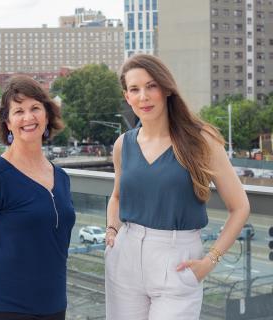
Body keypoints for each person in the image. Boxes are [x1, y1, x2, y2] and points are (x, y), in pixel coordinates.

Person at [105, 54, 250, 320]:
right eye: (134, 90)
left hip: (178, 259)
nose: (143, 97)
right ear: (127, 97)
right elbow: (116, 196)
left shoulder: (201, 140)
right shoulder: (122, 145)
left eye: (151, 86)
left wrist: (210, 261)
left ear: (166, 88)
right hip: (125, 255)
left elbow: (240, 207)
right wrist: (112, 229)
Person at [0, 75, 75, 320]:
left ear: (47, 115)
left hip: (53, 305)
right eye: (18, 111)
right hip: (5, 306)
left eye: (35, 108)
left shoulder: (62, 178)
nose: (28, 118)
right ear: (8, 122)